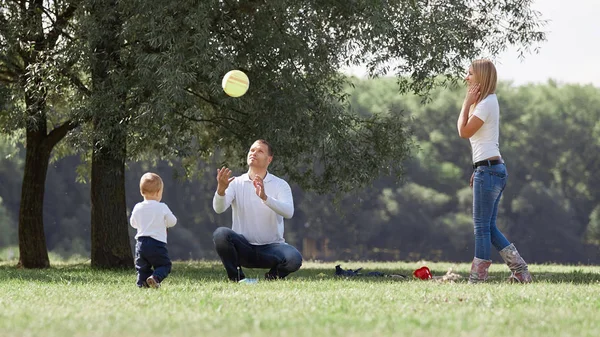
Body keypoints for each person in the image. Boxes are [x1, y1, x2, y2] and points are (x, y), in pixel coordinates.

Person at [456, 59, 532, 283]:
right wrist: (478, 167)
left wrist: (465, 102)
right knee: (488, 226)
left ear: (481, 76)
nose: (466, 78)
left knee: (481, 228)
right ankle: (521, 272)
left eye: (470, 74)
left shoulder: (486, 103)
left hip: (489, 171)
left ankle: (477, 279)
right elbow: (484, 142)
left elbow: (464, 131)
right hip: (490, 168)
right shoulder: (488, 102)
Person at [212, 139, 303, 281]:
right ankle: (238, 279)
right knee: (221, 234)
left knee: (294, 258)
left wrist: (265, 198)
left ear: (269, 159)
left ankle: (272, 277)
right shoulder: (235, 183)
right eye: (252, 150)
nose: (254, 153)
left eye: (260, 151)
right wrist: (221, 190)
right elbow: (218, 208)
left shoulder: (280, 185)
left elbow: (289, 212)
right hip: (243, 249)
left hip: (272, 249)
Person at [130, 172, 177, 288]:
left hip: (140, 244)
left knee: (142, 268)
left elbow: (133, 223)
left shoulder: (138, 207)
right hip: (156, 244)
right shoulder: (162, 207)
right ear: (158, 193)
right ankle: (155, 277)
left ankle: (141, 284)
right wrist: (164, 222)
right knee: (164, 265)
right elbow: (173, 221)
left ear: (142, 192)